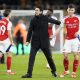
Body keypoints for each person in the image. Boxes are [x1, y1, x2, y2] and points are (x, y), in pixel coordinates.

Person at [22, 6, 61, 78]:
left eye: (37, 10)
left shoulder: (45, 18)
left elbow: (56, 22)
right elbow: (30, 31)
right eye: (35, 10)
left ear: (41, 12)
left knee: (49, 58)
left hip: (45, 42)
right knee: (31, 58)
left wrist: (61, 22)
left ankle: (54, 71)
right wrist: (27, 41)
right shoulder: (33, 20)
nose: (35, 11)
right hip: (35, 43)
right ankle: (29, 74)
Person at [54, 4, 80, 78]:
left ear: (74, 10)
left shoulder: (78, 18)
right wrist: (54, 35)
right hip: (68, 40)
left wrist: (78, 32)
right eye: (69, 10)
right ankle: (66, 71)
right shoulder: (65, 19)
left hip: (76, 40)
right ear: (67, 10)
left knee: (76, 55)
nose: (70, 11)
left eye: (72, 10)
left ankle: (74, 72)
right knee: (65, 55)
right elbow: (60, 28)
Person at [0, 9, 15, 74]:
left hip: (0, 39)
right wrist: (11, 41)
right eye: (11, 14)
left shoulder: (0, 21)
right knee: (9, 54)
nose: (11, 15)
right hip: (6, 40)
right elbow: (9, 33)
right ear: (9, 14)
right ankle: (8, 71)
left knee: (0, 54)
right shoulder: (9, 22)